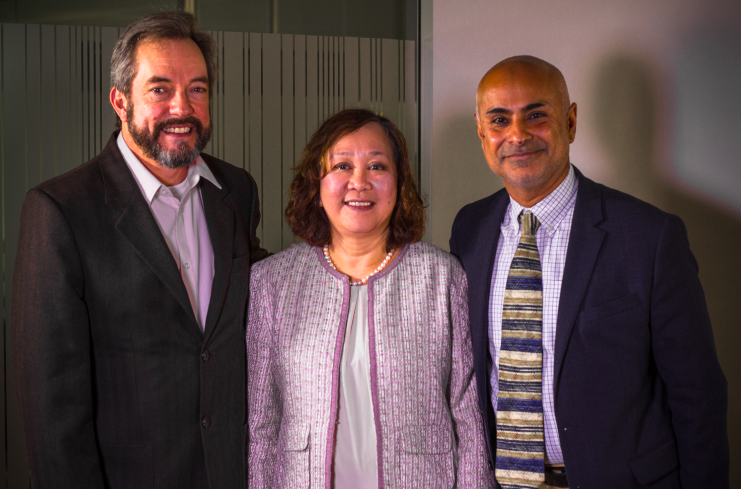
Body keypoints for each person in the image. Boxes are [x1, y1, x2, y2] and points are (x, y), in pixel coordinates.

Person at [12, 11, 267, 489]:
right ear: (120, 101)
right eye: (159, 89)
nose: (182, 107)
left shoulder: (236, 191)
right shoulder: (61, 210)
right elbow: (51, 409)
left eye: (197, 88)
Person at [449, 55, 729, 489]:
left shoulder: (649, 237)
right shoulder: (470, 229)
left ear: (571, 121)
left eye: (537, 115)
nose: (518, 135)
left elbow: (698, 396)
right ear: (482, 132)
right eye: (500, 120)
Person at [247, 108, 494, 488]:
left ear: (400, 182)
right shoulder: (271, 283)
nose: (358, 182)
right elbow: (262, 423)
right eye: (342, 166)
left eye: (377, 167)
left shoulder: (442, 277)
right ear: (317, 182)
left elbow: (468, 412)